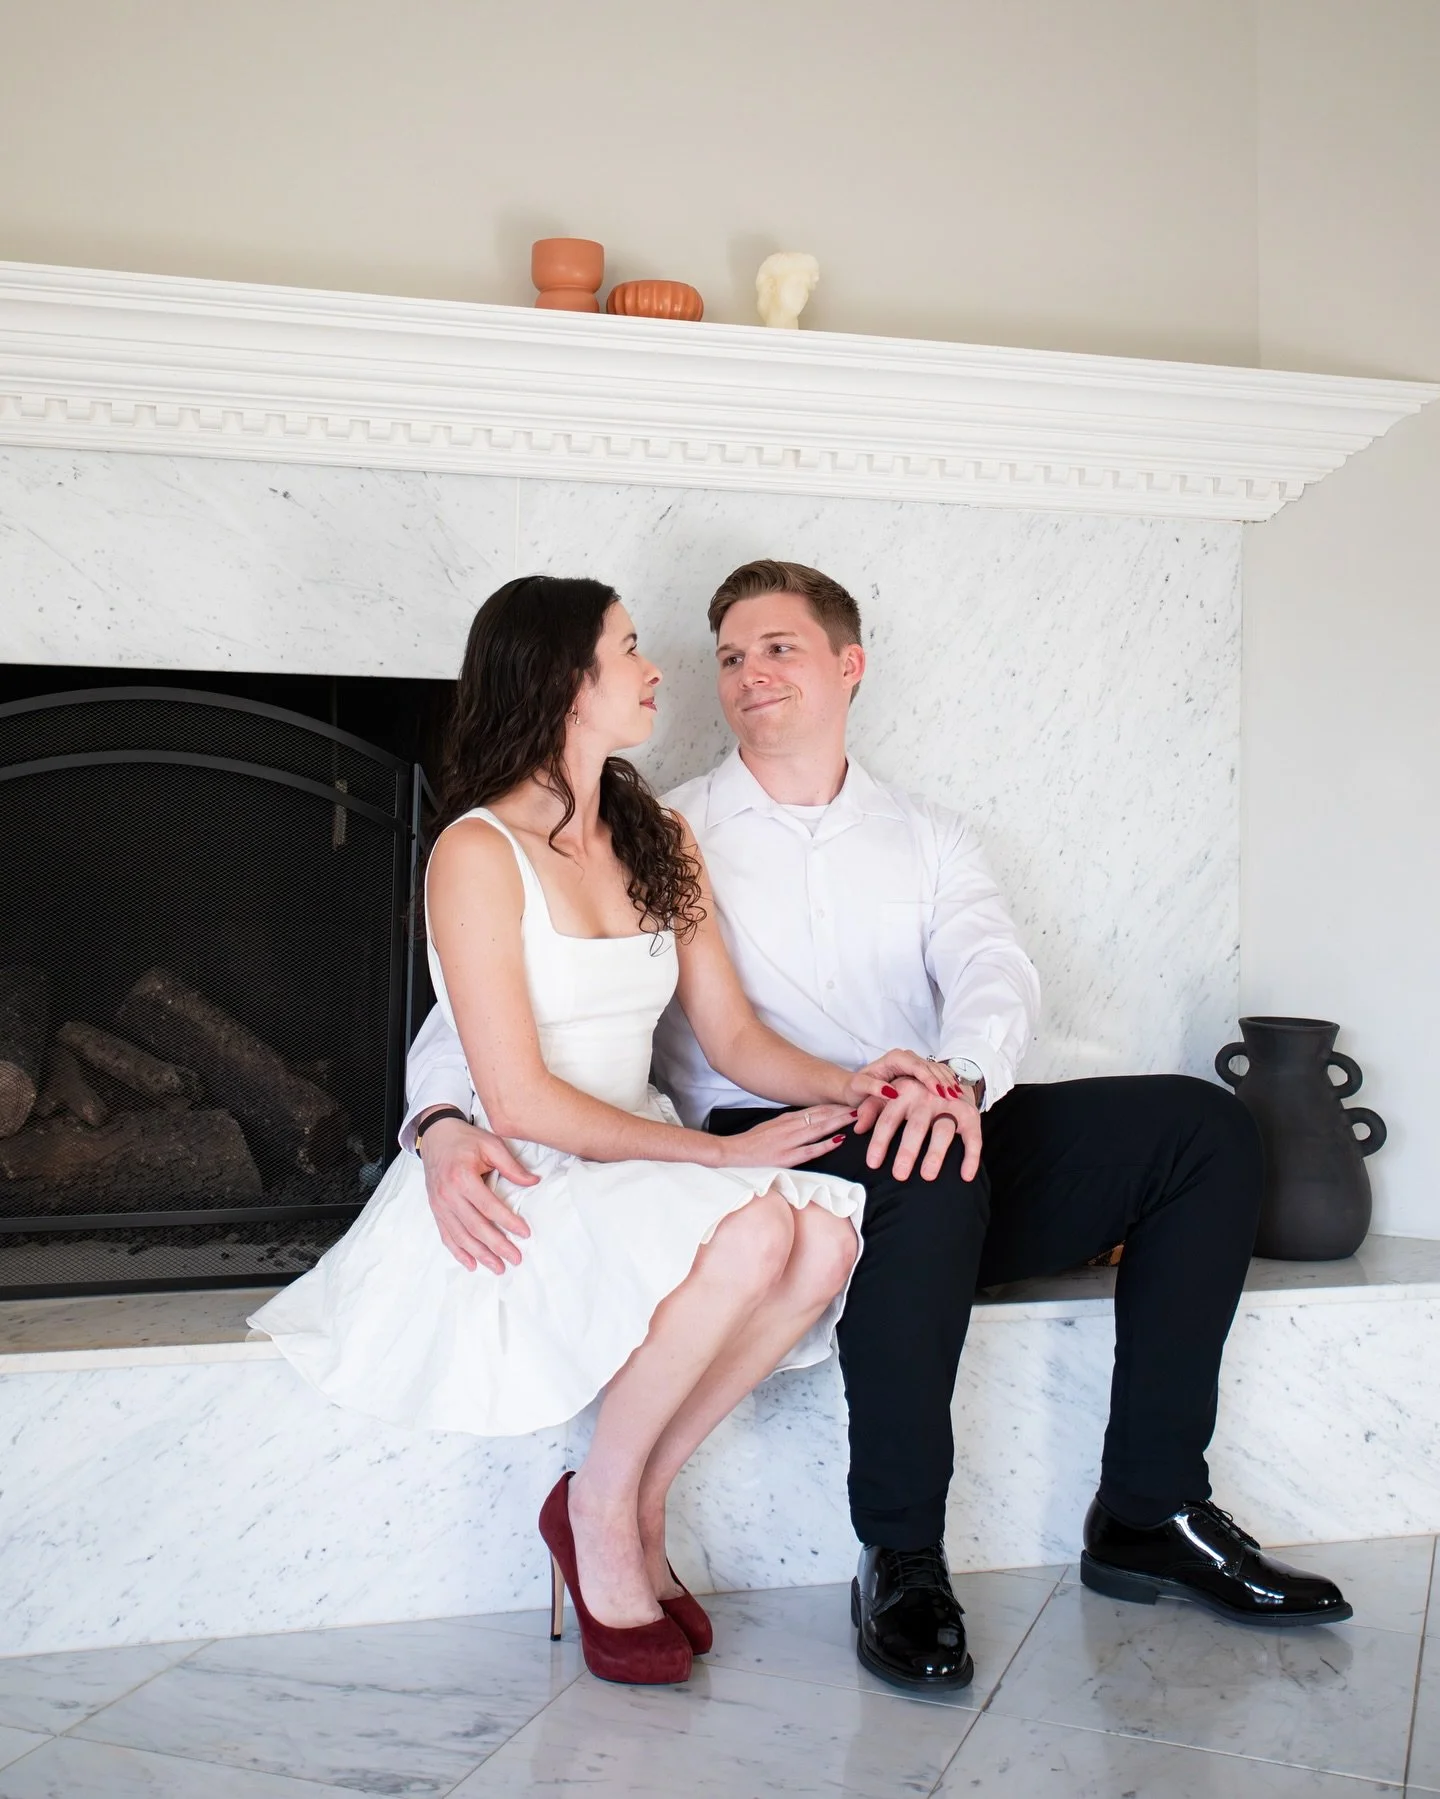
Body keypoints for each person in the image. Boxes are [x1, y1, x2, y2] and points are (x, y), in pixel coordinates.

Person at [407, 558, 1353, 1694]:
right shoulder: (666, 826)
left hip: (921, 1111)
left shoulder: (930, 836)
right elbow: (507, 1013)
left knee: (1202, 1126)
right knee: (925, 1174)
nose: (748, 672)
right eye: (731, 655)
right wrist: (439, 1117)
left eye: (780, 646)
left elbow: (995, 973)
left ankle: (1152, 1508)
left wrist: (951, 1079)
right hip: (778, 1146)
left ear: (849, 665)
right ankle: (900, 1551)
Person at [249, 575, 953, 1688]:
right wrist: (720, 1154)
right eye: (629, 649)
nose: (655, 667)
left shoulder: (657, 830)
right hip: (532, 1155)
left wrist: (858, 1079)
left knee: (825, 1237)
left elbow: (728, 1031)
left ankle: (634, 1493)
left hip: (637, 1134)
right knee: (761, 1232)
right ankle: (595, 1502)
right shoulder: (475, 853)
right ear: (565, 682)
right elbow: (518, 1096)